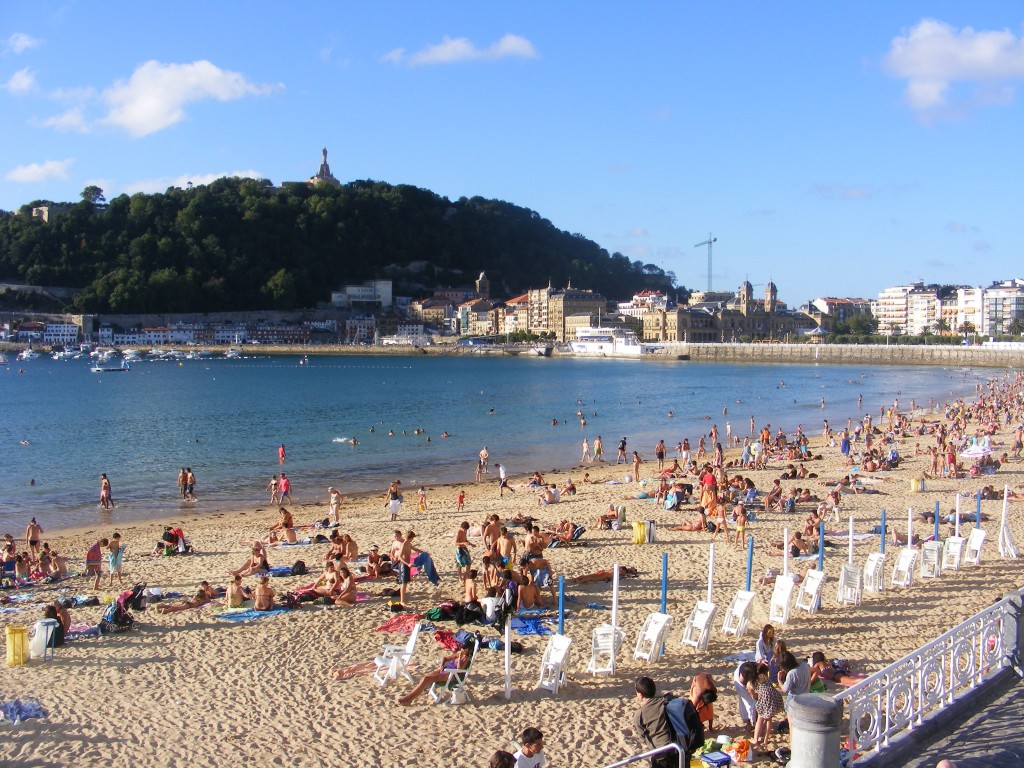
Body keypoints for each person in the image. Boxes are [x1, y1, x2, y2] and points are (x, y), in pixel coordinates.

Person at [396, 639, 472, 706]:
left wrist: (459, 658)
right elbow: (445, 658)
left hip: (453, 674)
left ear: (467, 650)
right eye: (462, 648)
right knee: (424, 678)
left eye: (464, 649)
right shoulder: (458, 654)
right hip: (445, 670)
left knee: (426, 679)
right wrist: (442, 665)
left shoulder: (466, 659)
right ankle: (408, 698)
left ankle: (408, 699)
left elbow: (459, 668)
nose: (462, 649)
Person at [633, 677, 675, 768]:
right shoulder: (666, 700)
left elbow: (643, 737)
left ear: (640, 695)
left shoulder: (639, 714)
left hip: (661, 754)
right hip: (678, 748)